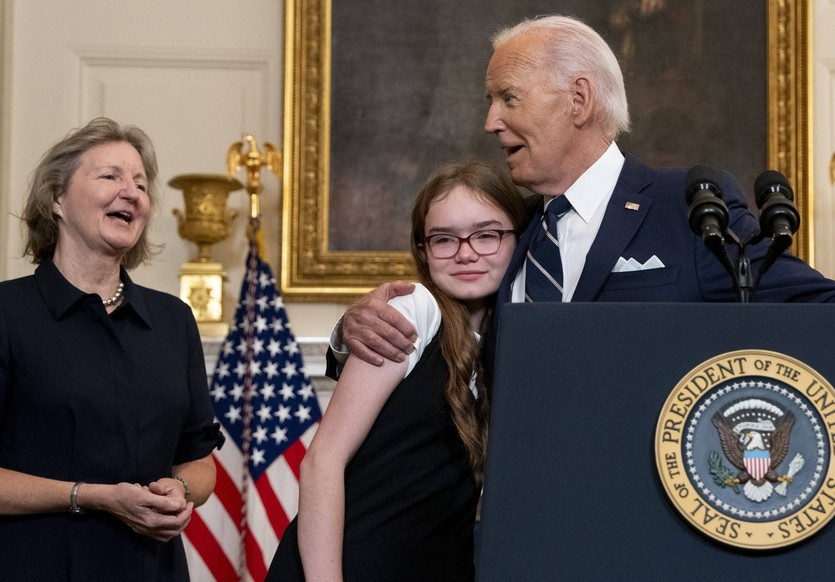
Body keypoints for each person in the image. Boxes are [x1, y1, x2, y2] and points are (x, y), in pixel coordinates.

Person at [329, 14, 835, 375]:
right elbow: (441, 350)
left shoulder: (684, 208)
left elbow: (834, 313)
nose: (491, 121)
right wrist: (349, 332)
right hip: (515, 524)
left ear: (579, 100)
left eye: (508, 98)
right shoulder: (504, 230)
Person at [265, 159, 527, 581]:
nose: (466, 252)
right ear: (422, 250)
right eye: (444, 239)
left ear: (517, 237)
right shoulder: (413, 310)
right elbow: (322, 462)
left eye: (487, 235)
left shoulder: (506, 346)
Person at [0, 117, 224, 580]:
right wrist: (95, 496)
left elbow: (199, 460)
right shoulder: (7, 312)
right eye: (110, 176)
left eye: (141, 184)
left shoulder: (173, 321)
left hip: (151, 568)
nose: (133, 193)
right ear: (57, 199)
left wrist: (178, 488)